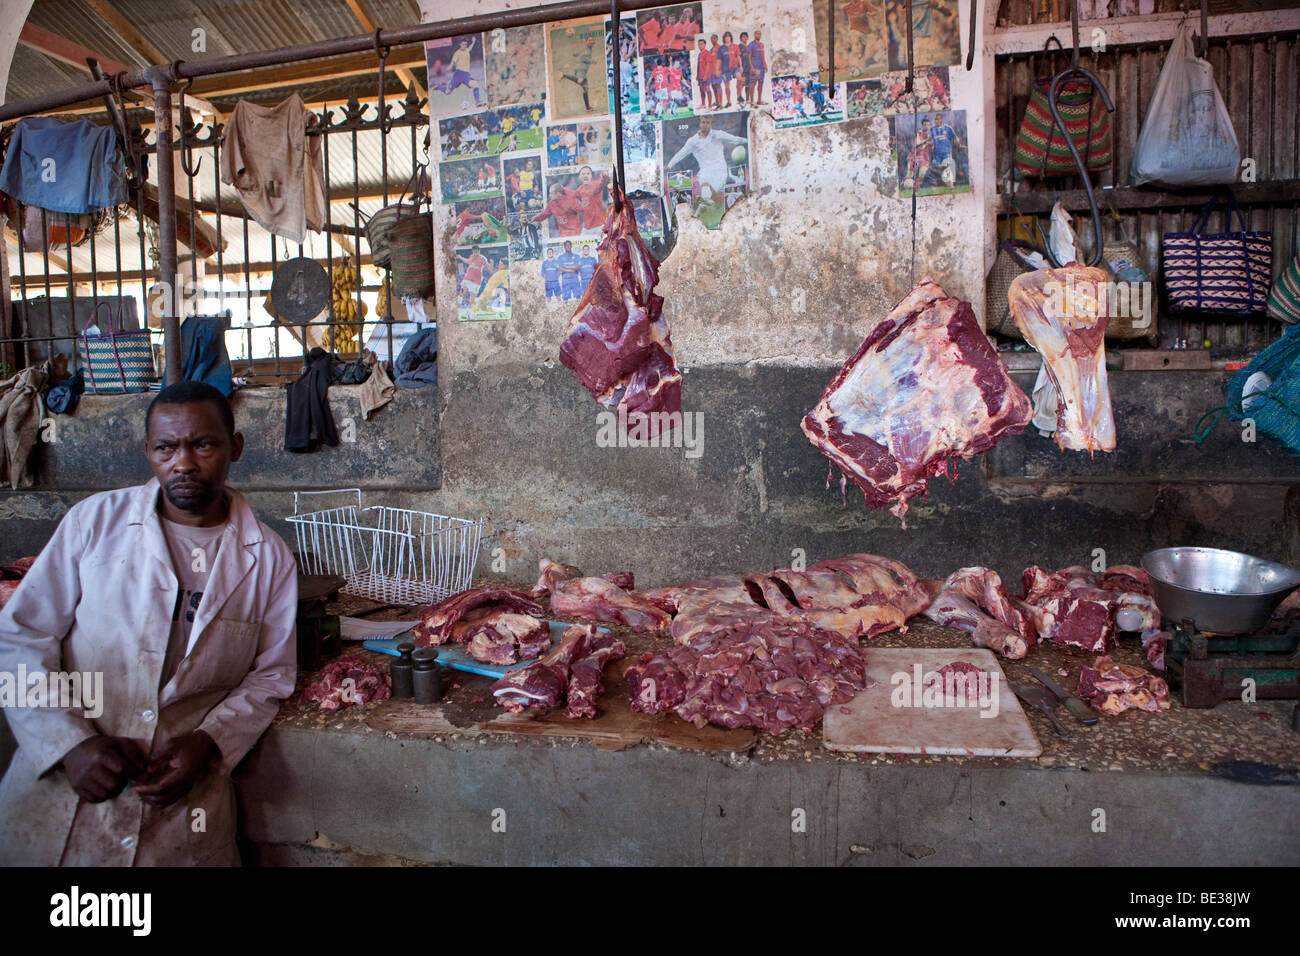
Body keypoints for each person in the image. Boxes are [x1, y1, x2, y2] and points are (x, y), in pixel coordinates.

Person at [0, 382, 298, 865]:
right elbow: (20, 636)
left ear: (235, 447)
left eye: (203, 444)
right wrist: (69, 744)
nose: (183, 463)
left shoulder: (267, 558)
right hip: (63, 794)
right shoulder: (93, 523)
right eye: (166, 447)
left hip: (180, 811)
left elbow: (271, 674)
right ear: (147, 451)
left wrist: (209, 741)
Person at [666, 114, 747, 208]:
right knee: (705, 187)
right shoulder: (693, 141)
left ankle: (707, 203)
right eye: (703, 122)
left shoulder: (718, 134)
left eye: (708, 122)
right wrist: (669, 165)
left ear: (711, 124)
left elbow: (735, 140)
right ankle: (704, 205)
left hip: (720, 170)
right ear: (700, 124)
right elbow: (681, 153)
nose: (705, 125)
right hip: (705, 172)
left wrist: (749, 140)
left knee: (710, 195)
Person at [438, 38, 484, 108]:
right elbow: (451, 64)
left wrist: (473, 42)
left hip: (466, 74)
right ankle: (438, 87)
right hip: (459, 74)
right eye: (463, 44)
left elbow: (470, 48)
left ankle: (477, 102)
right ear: (460, 44)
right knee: (448, 92)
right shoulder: (457, 53)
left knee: (475, 84)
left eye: (465, 44)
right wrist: (444, 70)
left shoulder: (467, 50)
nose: (464, 46)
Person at [563, 165, 610, 232]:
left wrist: (604, 177)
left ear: (591, 176)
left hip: (598, 225)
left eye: (588, 173)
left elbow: (602, 184)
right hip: (587, 226)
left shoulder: (595, 184)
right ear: (579, 177)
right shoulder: (580, 188)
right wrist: (563, 189)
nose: (585, 176)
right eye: (583, 174)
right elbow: (573, 194)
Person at [561, 33, 598, 112]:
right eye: (589, 40)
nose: (591, 41)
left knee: (585, 88)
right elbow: (582, 58)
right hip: (581, 70)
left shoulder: (587, 48)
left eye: (592, 40)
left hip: (582, 70)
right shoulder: (587, 50)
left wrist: (576, 53)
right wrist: (592, 61)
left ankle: (588, 107)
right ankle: (564, 75)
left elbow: (577, 54)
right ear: (586, 41)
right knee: (580, 82)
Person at [719, 31, 739, 109]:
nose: (727, 38)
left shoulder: (735, 46)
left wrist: (739, 67)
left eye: (729, 36)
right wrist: (721, 71)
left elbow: (738, 57)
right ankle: (729, 101)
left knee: (740, 79)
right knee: (727, 86)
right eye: (726, 36)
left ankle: (739, 98)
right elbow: (719, 60)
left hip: (734, 68)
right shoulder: (721, 48)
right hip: (725, 69)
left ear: (731, 37)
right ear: (724, 38)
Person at [747, 30, 767, 106]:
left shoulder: (762, 44)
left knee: (761, 83)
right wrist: (751, 66)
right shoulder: (751, 44)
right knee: (753, 84)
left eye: (760, 34)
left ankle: (759, 100)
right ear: (754, 35)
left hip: (761, 67)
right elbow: (749, 56)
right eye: (757, 34)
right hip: (755, 67)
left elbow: (763, 55)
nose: (759, 35)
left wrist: (765, 65)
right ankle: (752, 101)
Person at [737, 32, 752, 107]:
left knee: (748, 84)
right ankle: (739, 97)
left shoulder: (749, 47)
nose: (745, 38)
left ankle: (747, 99)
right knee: (741, 83)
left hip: (748, 68)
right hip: (742, 68)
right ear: (740, 38)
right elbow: (737, 57)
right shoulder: (739, 46)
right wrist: (739, 67)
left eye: (746, 37)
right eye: (743, 37)